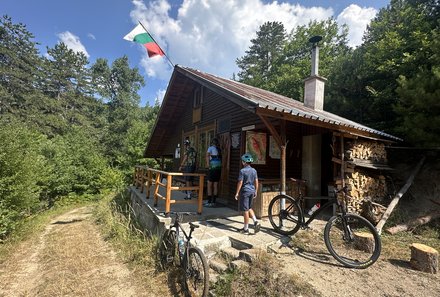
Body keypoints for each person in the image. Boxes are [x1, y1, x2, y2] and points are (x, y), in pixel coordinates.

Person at [234, 153, 261, 234]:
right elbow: (256, 181)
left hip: (245, 191)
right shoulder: (254, 170)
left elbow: (240, 182)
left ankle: (246, 229)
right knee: (249, 207)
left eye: (242, 161)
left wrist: (237, 193)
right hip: (252, 191)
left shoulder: (242, 171)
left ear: (244, 162)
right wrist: (256, 191)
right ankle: (255, 221)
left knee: (245, 210)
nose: (242, 162)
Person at [205, 138, 222, 207]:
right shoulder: (219, 149)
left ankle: (209, 201)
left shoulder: (210, 148)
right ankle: (214, 201)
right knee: (215, 185)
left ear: (212, 143)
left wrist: (208, 165)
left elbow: (207, 156)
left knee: (209, 184)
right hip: (218, 167)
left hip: (212, 167)